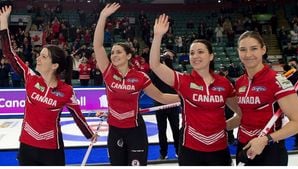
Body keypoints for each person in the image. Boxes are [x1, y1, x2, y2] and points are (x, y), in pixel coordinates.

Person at [0, 6, 96, 166]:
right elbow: (9, 53)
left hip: (52, 150)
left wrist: (89, 135)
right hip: (26, 147)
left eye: (43, 56)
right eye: (39, 55)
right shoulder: (30, 77)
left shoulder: (66, 91)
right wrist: (3, 22)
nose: (38, 58)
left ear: (54, 66)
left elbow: (77, 116)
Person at [93, 3, 180, 166]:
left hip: (136, 132)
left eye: (118, 52)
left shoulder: (140, 77)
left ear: (129, 56)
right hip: (115, 131)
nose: (114, 55)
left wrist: (185, 97)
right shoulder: (108, 71)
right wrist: (103, 17)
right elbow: (97, 46)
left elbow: (160, 96)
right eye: (112, 52)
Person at [150, 14, 242, 166]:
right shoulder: (183, 81)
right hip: (190, 150)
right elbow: (155, 65)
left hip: (219, 150)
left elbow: (241, 112)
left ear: (211, 56)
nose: (195, 56)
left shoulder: (224, 84)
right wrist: (158, 36)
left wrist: (224, 126)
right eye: (192, 53)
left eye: (200, 52)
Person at [235, 31, 298, 166]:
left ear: (263, 49)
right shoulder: (240, 82)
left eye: (254, 48)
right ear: (238, 52)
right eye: (243, 50)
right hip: (244, 148)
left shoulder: (276, 80)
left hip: (270, 150)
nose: (248, 54)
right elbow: (243, 116)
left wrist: (266, 139)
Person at [149, 49, 180, 160]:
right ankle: (163, 153)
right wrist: (158, 64)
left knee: (175, 129)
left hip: (173, 104)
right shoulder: (154, 73)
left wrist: (167, 62)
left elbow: (174, 76)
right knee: (161, 130)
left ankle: (178, 151)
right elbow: (151, 79)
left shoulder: (173, 71)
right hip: (160, 104)